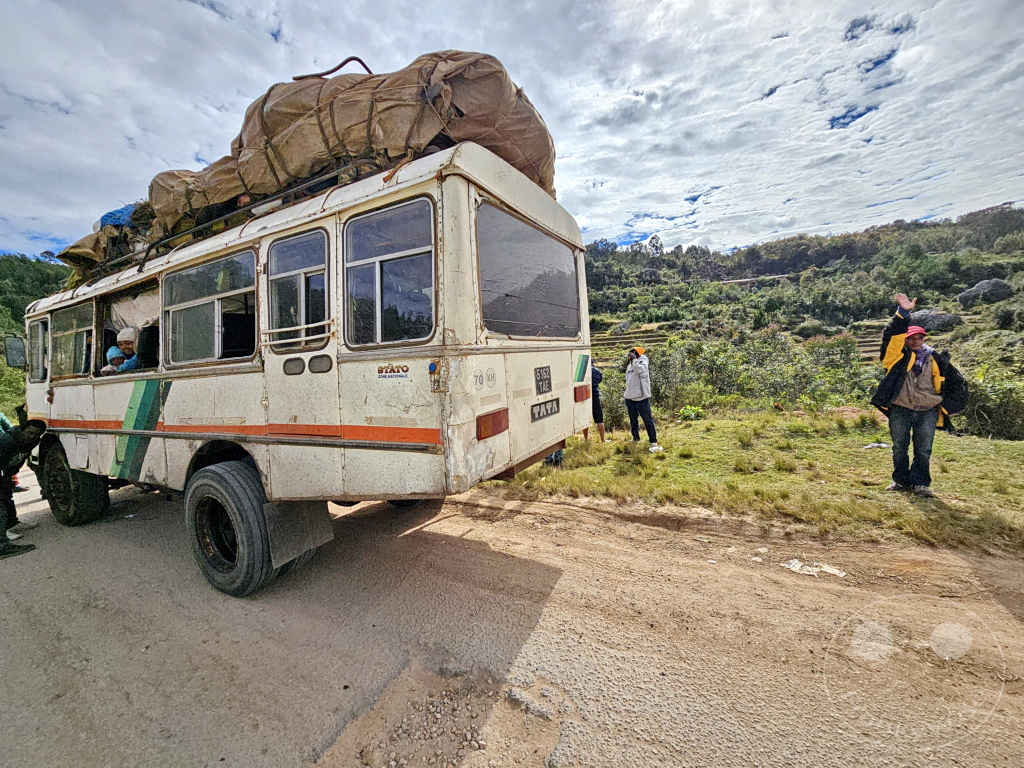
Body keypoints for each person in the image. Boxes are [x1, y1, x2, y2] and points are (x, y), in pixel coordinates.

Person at [870, 293, 968, 498]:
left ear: (925, 338)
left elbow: (959, 384)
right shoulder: (896, 358)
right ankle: (900, 481)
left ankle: (920, 483)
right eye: (911, 337)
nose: (915, 340)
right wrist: (903, 312)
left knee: (924, 449)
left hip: (928, 410)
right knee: (899, 447)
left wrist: (946, 407)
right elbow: (891, 336)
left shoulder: (937, 360)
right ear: (905, 340)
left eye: (919, 337)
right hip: (901, 407)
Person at [0, 420, 47, 559]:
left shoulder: (32, 441)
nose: (32, 436)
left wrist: (8, 477)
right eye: (30, 432)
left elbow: (16, 462)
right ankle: (2, 546)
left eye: (36, 434)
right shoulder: (7, 442)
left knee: (6, 497)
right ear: (22, 429)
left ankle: (12, 524)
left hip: (5, 472)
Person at [624, 346, 663, 453]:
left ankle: (653, 442)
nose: (631, 354)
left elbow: (640, 370)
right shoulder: (630, 365)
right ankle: (635, 438)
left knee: (648, 421)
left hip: (641, 399)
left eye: (633, 353)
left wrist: (635, 360)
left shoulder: (643, 362)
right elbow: (628, 380)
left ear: (637, 354)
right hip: (630, 398)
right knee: (633, 421)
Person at [0, 413, 28, 491]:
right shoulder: (0, 416)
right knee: (9, 465)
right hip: (4, 444)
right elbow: (10, 428)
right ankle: (12, 485)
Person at [589, 364, 606, 442]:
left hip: (585, 395)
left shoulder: (583, 371)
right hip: (595, 395)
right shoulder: (596, 371)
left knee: (584, 420)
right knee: (599, 419)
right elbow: (600, 380)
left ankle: (586, 438)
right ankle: (602, 439)